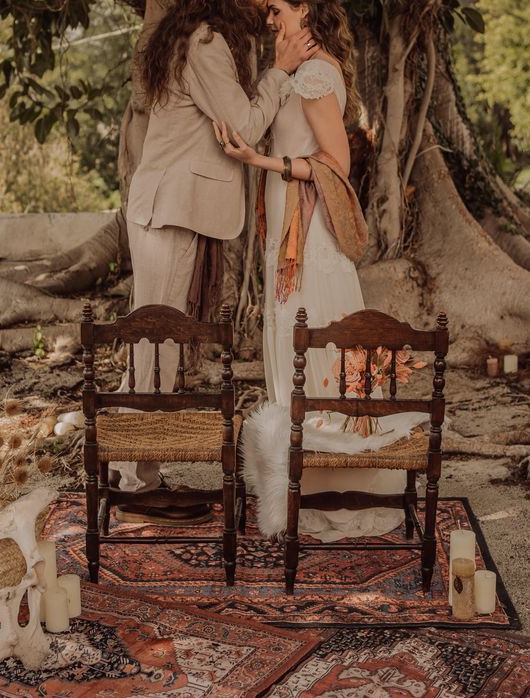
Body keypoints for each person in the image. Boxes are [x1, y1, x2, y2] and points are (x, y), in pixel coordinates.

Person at [216, 0, 428, 542]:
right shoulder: (300, 72)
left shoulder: (313, 73)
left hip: (306, 241)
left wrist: (261, 162)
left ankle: (324, 487)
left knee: (307, 344)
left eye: (275, 9)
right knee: (294, 342)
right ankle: (300, 485)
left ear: (304, 8)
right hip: (290, 234)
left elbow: (337, 160)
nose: (268, 20)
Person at [112, 0, 318, 524]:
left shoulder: (199, 37)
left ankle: (127, 469)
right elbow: (244, 127)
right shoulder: (205, 42)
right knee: (153, 344)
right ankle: (135, 483)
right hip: (169, 211)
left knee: (150, 343)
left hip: (169, 208)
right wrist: (281, 71)